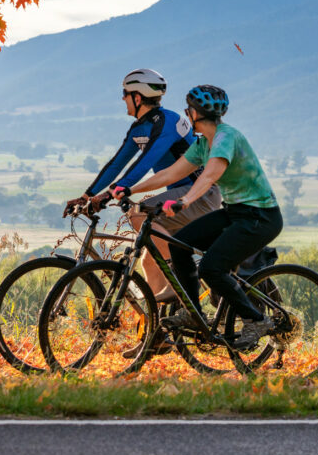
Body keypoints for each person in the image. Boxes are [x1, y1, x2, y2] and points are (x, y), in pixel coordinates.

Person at [112, 84, 282, 348]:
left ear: (196, 113)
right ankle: (194, 314)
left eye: (188, 110)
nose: (187, 114)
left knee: (211, 268)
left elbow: (211, 174)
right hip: (236, 213)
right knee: (180, 245)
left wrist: (184, 201)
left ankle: (256, 320)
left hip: (260, 218)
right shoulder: (203, 144)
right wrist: (130, 189)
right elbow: (171, 174)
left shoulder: (226, 138)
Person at [65, 69, 221, 302]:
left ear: (138, 97)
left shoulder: (167, 121)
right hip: (179, 196)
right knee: (149, 260)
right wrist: (87, 196)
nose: (122, 99)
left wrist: (110, 195)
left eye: (125, 94)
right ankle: (157, 327)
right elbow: (116, 164)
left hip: (200, 193)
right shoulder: (139, 128)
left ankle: (180, 278)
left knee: (138, 215)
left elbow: (143, 163)